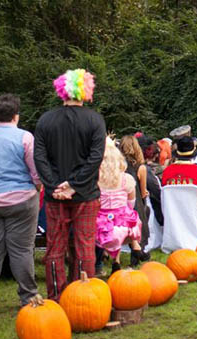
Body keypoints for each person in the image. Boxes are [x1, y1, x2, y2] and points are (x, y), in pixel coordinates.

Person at [33, 69, 106, 300]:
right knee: (84, 245)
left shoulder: (46, 120)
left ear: (61, 90)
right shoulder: (95, 120)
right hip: (85, 194)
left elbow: (40, 158)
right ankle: (84, 296)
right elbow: (95, 158)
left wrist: (55, 185)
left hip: (56, 196)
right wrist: (74, 185)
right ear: (86, 91)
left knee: (55, 248)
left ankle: (56, 296)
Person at [0, 94, 41, 310]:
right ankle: (28, 295)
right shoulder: (25, 137)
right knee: (22, 249)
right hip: (21, 200)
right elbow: (35, 171)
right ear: (16, 115)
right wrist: (36, 187)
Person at [95, 139, 143, 274]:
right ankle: (117, 260)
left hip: (101, 219)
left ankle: (105, 257)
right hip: (122, 220)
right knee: (123, 222)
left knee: (110, 227)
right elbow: (131, 203)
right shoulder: (126, 179)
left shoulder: (96, 179)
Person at [119, 135, 150, 263]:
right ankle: (137, 249)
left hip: (120, 202)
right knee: (144, 211)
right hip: (135, 203)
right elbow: (143, 193)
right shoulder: (140, 167)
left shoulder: (118, 166)